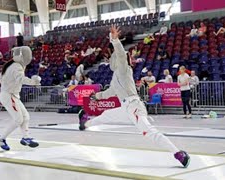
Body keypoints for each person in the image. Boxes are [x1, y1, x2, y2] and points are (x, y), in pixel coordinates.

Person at [78, 25, 190, 168]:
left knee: (149, 132)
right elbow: (110, 92)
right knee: (106, 115)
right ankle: (85, 123)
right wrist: (96, 96)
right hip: (125, 108)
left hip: (134, 106)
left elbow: (119, 53)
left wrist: (115, 40)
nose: (129, 58)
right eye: (127, 57)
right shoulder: (116, 77)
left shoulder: (124, 70)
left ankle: (178, 154)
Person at [0, 46, 41, 151]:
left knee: (25, 117)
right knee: (18, 119)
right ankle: (1, 138)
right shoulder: (16, 66)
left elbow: (1, 78)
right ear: (21, 56)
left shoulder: (12, 65)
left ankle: (25, 138)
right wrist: (33, 82)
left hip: (12, 95)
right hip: (8, 95)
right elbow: (20, 79)